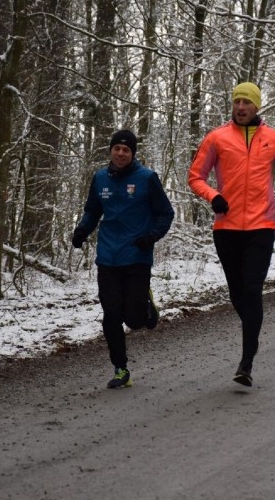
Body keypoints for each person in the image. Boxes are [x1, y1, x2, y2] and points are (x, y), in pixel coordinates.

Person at [188, 82, 275, 387]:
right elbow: (195, 176)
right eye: (236, 101)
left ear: (256, 107)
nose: (240, 107)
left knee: (251, 290)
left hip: (261, 226)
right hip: (226, 229)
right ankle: (252, 329)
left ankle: (246, 361)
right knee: (238, 294)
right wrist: (213, 196)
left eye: (246, 102)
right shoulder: (216, 138)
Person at [72, 129, 175, 389]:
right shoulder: (100, 179)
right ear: (110, 151)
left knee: (135, 320)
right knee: (111, 316)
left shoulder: (147, 178)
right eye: (116, 148)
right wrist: (82, 231)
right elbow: (93, 211)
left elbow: (166, 213)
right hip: (107, 257)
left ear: (132, 154)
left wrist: (150, 236)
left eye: (126, 149)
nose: (120, 153)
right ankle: (120, 369)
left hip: (137, 256)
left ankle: (147, 305)